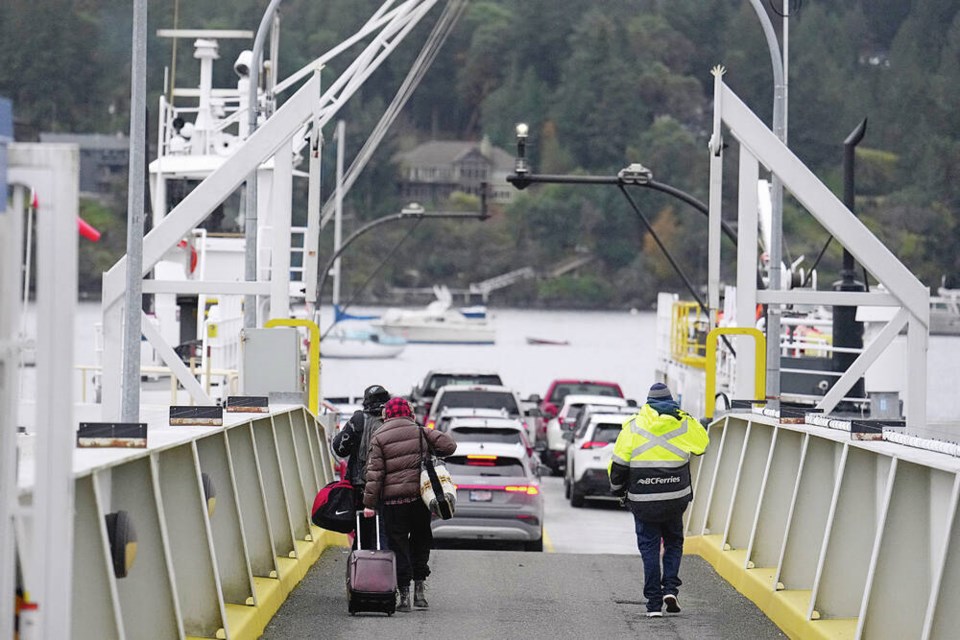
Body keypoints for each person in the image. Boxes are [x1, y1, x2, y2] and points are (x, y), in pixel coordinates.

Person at [608, 382, 709, 618]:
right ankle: (670, 589)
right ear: (671, 401)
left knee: (650, 549)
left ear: (648, 402)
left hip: (643, 500)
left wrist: (617, 490)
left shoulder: (633, 426)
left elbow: (619, 466)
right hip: (675, 498)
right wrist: (687, 416)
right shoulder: (683, 422)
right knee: (673, 542)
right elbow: (702, 444)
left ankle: (654, 604)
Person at [362, 397, 456, 612]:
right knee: (421, 539)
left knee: (398, 545)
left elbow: (375, 474)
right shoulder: (421, 431)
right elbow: (450, 445)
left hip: (393, 502)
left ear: (387, 415)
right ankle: (420, 592)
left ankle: (403, 595)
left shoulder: (379, 437)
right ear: (410, 414)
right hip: (420, 499)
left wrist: (369, 503)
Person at [331, 384, 391, 549]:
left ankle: (362, 569)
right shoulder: (394, 420)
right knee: (386, 532)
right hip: (390, 486)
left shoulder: (358, 420)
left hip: (360, 485)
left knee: (362, 533)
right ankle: (388, 569)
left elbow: (339, 448)